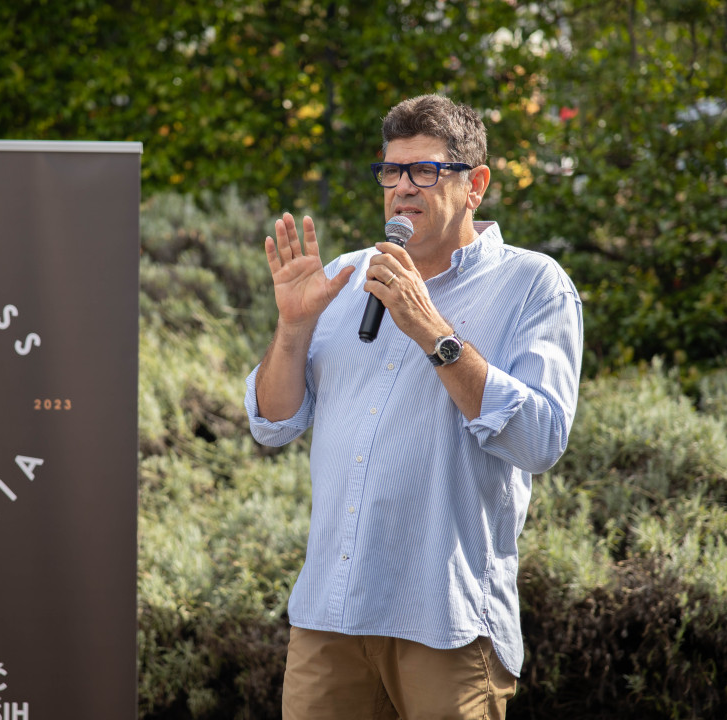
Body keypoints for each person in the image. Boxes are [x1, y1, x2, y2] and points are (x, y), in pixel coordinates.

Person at [243, 94, 583, 719]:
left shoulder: (533, 284)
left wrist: (433, 332)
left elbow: (541, 441)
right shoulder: (345, 278)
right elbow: (272, 424)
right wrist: (292, 327)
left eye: (425, 170)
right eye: (391, 171)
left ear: (475, 185)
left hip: (446, 622)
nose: (402, 187)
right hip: (330, 617)